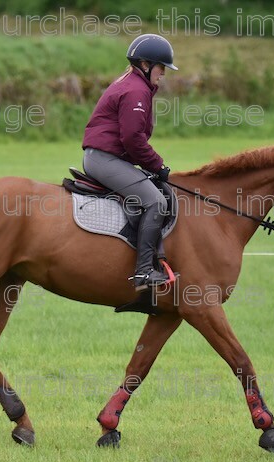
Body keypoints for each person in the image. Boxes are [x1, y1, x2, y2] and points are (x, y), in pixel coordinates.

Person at [81, 33, 177, 291]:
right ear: (145, 65)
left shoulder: (133, 83)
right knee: (156, 202)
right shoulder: (136, 90)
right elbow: (133, 139)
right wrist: (158, 166)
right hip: (104, 159)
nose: (164, 73)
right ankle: (144, 272)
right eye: (161, 67)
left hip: (107, 157)